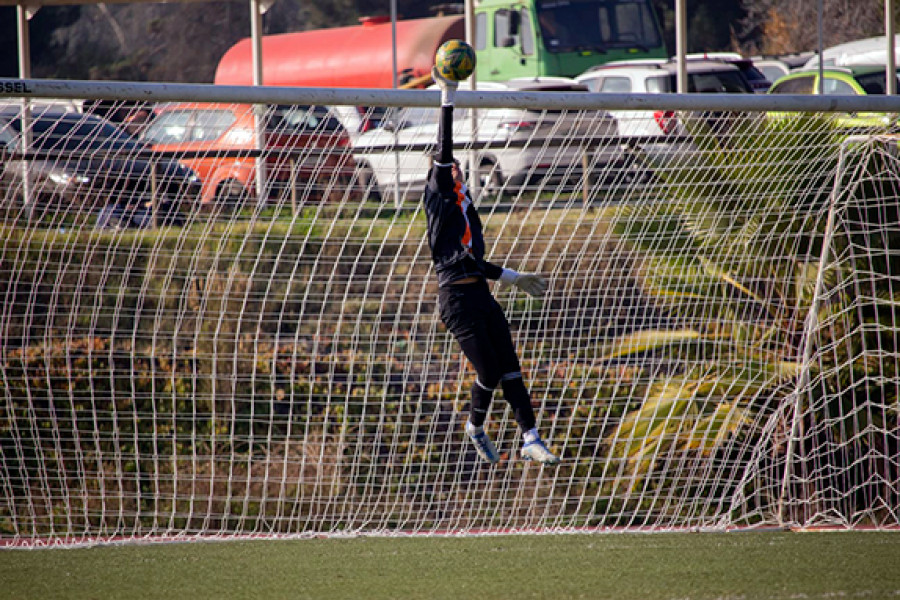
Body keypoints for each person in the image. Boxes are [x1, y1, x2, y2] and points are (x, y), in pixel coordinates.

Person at [422, 67, 559, 466]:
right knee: (490, 371)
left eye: (457, 168)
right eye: (448, 168)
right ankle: (474, 426)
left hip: (481, 296)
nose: (456, 168)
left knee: (511, 368)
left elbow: (476, 261)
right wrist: (448, 97)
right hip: (457, 302)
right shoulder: (440, 200)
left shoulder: (468, 210)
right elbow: (444, 151)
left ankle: (530, 437)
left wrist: (512, 278)